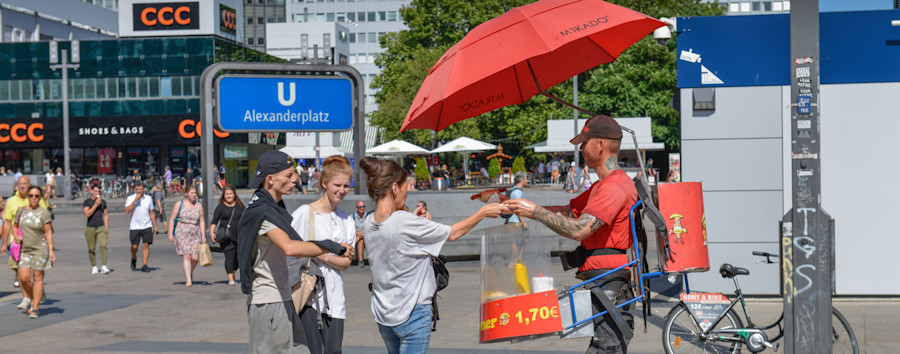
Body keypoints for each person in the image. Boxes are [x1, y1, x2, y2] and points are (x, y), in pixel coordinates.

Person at [505, 115, 638, 354]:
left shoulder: (613, 187)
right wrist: (515, 205)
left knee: (605, 347)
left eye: (584, 142)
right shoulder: (602, 185)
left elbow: (579, 229)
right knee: (603, 345)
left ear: (600, 144)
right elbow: (567, 211)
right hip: (602, 280)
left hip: (608, 282)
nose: (580, 148)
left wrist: (534, 212)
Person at [358, 157, 507, 354]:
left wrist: (415, 221)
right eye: (405, 188)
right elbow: (453, 234)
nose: (407, 193)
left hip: (384, 313)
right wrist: (483, 212)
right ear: (394, 188)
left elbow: (397, 234)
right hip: (413, 311)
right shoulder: (405, 221)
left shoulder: (369, 221)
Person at [237, 150, 354, 354]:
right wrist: (333, 246)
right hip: (269, 300)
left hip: (282, 297)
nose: (295, 179)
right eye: (289, 175)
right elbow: (290, 247)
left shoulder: (273, 208)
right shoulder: (263, 212)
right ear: (271, 179)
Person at [290, 155, 355, 354]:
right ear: (324, 183)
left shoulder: (346, 220)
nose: (342, 190)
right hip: (308, 294)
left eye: (346, 186)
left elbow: (345, 263)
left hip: (335, 297)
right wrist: (333, 251)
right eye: (337, 185)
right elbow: (292, 249)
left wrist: (320, 254)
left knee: (334, 350)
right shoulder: (305, 213)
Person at [3, 186, 54, 319]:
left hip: (39, 249)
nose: (33, 198)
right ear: (28, 197)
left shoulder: (44, 213)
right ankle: (35, 297)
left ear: (40, 197)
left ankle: (35, 307)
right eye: (31, 196)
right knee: (24, 278)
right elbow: (14, 226)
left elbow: (48, 232)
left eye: (37, 196)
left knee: (37, 277)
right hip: (24, 249)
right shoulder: (21, 211)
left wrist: (50, 249)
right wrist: (16, 236)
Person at [168, 185, 206, 287]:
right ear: (186, 194)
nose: (194, 195)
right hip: (182, 232)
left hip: (195, 233)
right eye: (192, 193)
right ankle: (188, 279)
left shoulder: (199, 206)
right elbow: (172, 219)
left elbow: (202, 221)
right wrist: (170, 233)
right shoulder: (179, 204)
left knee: (195, 258)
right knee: (187, 256)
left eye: (195, 193)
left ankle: (190, 271)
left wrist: (203, 235)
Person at [209, 184, 244, 285]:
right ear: (224, 195)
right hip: (226, 237)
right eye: (227, 194)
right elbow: (214, 221)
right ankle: (230, 279)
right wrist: (212, 232)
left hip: (239, 236)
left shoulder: (239, 206)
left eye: (230, 194)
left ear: (234, 195)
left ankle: (233, 274)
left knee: (238, 258)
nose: (229, 196)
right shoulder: (220, 207)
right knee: (229, 256)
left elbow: (245, 220)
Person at [2, 176, 31, 297]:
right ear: (17, 186)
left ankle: (36, 290)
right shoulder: (11, 201)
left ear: (29, 185)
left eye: (25, 184)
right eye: (20, 184)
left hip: (33, 241)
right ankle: (27, 297)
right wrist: (4, 243)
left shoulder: (35, 198)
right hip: (16, 242)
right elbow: (7, 223)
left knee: (33, 273)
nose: (22, 186)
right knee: (21, 273)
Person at [125, 183, 158, 272]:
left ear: (144, 189)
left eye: (140, 189)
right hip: (134, 226)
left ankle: (144, 265)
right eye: (137, 189)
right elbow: (127, 211)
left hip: (146, 225)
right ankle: (134, 257)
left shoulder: (148, 198)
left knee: (146, 245)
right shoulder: (131, 198)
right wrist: (135, 201)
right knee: (134, 247)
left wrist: (155, 226)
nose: (138, 191)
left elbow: (151, 213)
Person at [83, 184, 110, 275]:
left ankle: (104, 265)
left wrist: (106, 228)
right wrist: (95, 205)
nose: (97, 193)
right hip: (90, 227)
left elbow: (105, 214)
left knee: (103, 245)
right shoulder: (87, 202)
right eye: (95, 191)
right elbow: (87, 214)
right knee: (91, 248)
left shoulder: (103, 202)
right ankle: (94, 266)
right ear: (91, 191)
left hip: (101, 227)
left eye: (99, 191)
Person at [351, 200, 369, 268]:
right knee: (361, 240)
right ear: (356, 208)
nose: (362, 208)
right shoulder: (352, 217)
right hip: (357, 236)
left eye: (364, 207)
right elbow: (350, 229)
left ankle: (350, 248)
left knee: (360, 237)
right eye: (360, 207)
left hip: (367, 236)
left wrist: (363, 232)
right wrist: (357, 233)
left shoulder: (368, 216)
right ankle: (361, 260)